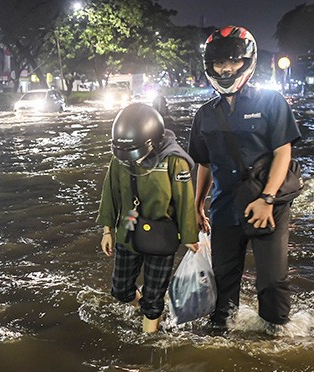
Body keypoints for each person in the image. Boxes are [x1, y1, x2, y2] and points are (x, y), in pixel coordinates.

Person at [188, 26, 301, 329]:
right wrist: (197, 207)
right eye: (219, 64)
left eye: (233, 62)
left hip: (268, 206)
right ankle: (222, 336)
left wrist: (268, 199)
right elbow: (204, 164)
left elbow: (283, 154)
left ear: (247, 62)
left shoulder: (271, 102)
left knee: (271, 282)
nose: (225, 69)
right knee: (223, 283)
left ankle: (275, 338)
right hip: (224, 209)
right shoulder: (204, 114)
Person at [97, 103, 199, 333]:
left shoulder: (174, 161)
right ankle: (146, 307)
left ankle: (149, 334)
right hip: (129, 230)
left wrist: (190, 236)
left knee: (154, 298)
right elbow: (110, 193)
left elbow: (185, 201)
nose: (134, 159)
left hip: (161, 236)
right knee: (120, 290)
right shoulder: (120, 159)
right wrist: (107, 231)